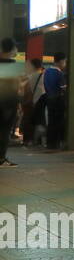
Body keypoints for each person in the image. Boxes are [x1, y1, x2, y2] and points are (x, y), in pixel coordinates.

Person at [0, 39, 22, 167]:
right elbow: (14, 88)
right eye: (15, 48)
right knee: (4, 131)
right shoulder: (12, 64)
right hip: (7, 104)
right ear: (12, 49)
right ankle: (1, 158)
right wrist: (18, 104)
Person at [41, 52, 67, 150]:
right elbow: (63, 88)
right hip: (58, 100)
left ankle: (50, 144)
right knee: (59, 122)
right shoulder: (59, 73)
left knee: (51, 122)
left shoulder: (47, 72)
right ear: (60, 61)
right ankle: (58, 143)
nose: (64, 64)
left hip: (49, 99)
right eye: (64, 61)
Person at [18, 57, 43, 146]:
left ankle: (28, 140)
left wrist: (24, 102)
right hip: (40, 103)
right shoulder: (42, 76)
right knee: (38, 121)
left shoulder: (29, 77)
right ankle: (37, 140)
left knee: (29, 121)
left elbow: (26, 92)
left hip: (30, 102)